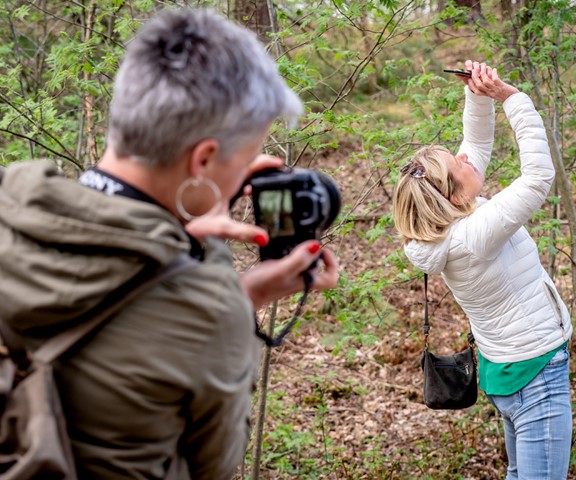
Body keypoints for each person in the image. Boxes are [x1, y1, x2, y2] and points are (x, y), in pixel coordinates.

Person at [0, 8, 338, 480]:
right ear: (202, 161)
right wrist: (233, 286)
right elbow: (217, 465)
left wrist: (173, 237)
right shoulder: (207, 307)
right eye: (241, 164)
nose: (243, 179)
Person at [391, 60, 573, 479]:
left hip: (508, 367)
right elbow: (538, 177)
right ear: (454, 197)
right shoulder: (473, 236)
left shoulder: (449, 227)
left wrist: (477, 94)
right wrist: (513, 99)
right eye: (458, 166)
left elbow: (474, 146)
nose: (465, 158)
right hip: (535, 371)